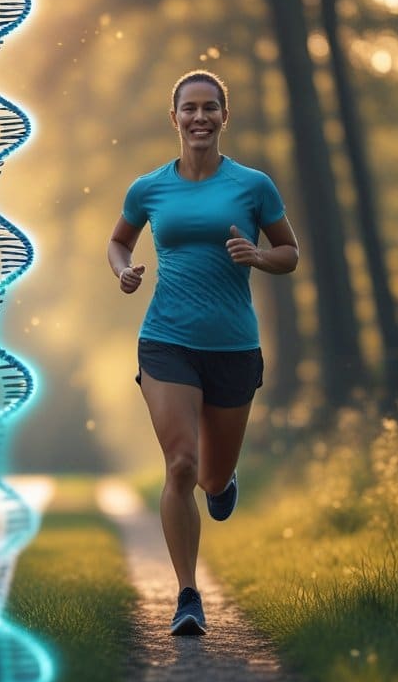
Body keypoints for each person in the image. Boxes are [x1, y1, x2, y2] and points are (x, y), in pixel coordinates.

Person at [107, 70, 299, 635]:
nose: (199, 117)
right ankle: (188, 595)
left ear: (223, 116)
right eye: (188, 108)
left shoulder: (253, 185)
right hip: (166, 341)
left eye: (209, 108)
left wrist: (257, 258)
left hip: (234, 347)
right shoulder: (149, 189)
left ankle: (224, 481)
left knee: (213, 478)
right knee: (182, 465)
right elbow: (120, 240)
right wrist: (124, 271)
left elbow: (289, 251)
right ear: (174, 118)